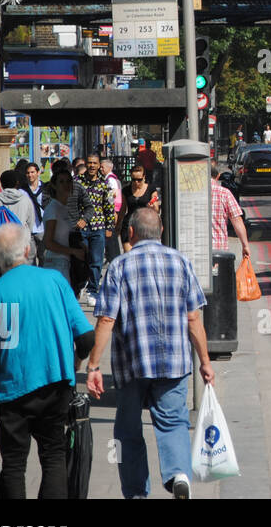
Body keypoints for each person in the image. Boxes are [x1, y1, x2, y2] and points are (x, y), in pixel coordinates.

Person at [85, 208, 212, 500]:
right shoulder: (181, 262)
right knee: (173, 423)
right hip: (175, 362)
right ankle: (179, 474)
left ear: (130, 233)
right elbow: (194, 319)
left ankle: (136, 494)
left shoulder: (118, 267)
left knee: (128, 431)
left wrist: (93, 365)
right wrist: (204, 361)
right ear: (162, 230)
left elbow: (106, 320)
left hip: (133, 363)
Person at [0, 222, 95, 499]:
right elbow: (87, 338)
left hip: (13, 392)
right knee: (53, 455)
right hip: (56, 385)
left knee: (14, 464)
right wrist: (74, 363)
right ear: (28, 250)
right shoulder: (55, 281)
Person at [77, 152, 117, 303]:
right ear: (86, 164)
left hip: (98, 227)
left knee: (96, 260)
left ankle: (92, 290)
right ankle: (81, 284)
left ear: (99, 165)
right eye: (90, 163)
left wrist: (109, 227)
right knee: (82, 260)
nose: (92, 166)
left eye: (95, 163)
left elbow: (109, 207)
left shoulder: (104, 184)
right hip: (81, 227)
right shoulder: (77, 182)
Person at [40, 170, 86, 284]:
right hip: (55, 263)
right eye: (61, 182)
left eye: (68, 181)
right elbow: (48, 242)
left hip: (66, 261)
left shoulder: (63, 208)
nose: (66, 185)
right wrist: (73, 251)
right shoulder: (53, 209)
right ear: (54, 186)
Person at [211, 163, 251, 261]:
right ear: (218, 176)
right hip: (219, 252)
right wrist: (245, 245)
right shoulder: (224, 194)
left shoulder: (188, 194)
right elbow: (237, 220)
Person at [118, 165, 160, 253]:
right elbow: (122, 210)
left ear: (144, 177)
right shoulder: (126, 190)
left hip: (145, 226)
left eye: (139, 180)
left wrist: (153, 207)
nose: (136, 182)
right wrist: (118, 225)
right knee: (129, 255)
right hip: (129, 225)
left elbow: (156, 208)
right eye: (133, 179)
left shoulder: (151, 189)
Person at [21, 161, 49, 248]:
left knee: (44, 257)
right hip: (28, 229)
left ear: (38, 172)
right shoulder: (22, 190)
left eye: (32, 172)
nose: (30, 175)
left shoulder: (46, 188)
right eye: (27, 173)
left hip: (43, 227)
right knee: (29, 257)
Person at [102, 158, 124, 263]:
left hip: (112, 211)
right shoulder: (109, 178)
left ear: (109, 167)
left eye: (102, 167)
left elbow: (114, 194)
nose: (101, 169)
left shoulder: (110, 179)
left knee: (111, 235)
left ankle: (113, 257)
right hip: (113, 211)